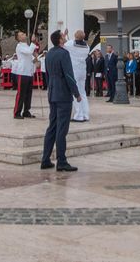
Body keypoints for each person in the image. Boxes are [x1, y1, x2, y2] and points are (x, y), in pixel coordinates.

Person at [41, 30, 81, 172]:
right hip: (63, 94)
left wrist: (50, 88)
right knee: (62, 129)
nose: (65, 38)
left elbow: (47, 74)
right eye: (63, 36)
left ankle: (45, 159)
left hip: (52, 93)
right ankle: (61, 161)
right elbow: (69, 75)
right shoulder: (64, 54)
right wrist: (76, 93)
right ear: (59, 40)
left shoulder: (49, 54)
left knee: (52, 126)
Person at [64, 31, 91, 121]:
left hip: (74, 70)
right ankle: (85, 114)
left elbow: (63, 44)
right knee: (82, 93)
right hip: (82, 70)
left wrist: (64, 34)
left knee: (75, 92)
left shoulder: (71, 44)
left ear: (75, 35)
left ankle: (78, 115)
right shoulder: (87, 47)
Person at [12, 31, 36, 119]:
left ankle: (26, 111)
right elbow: (29, 52)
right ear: (18, 38)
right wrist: (33, 43)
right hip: (22, 72)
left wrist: (35, 59)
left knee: (28, 93)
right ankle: (17, 112)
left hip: (29, 72)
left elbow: (31, 56)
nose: (24, 35)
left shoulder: (26, 46)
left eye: (24, 33)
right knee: (21, 93)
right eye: (21, 34)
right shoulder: (19, 46)